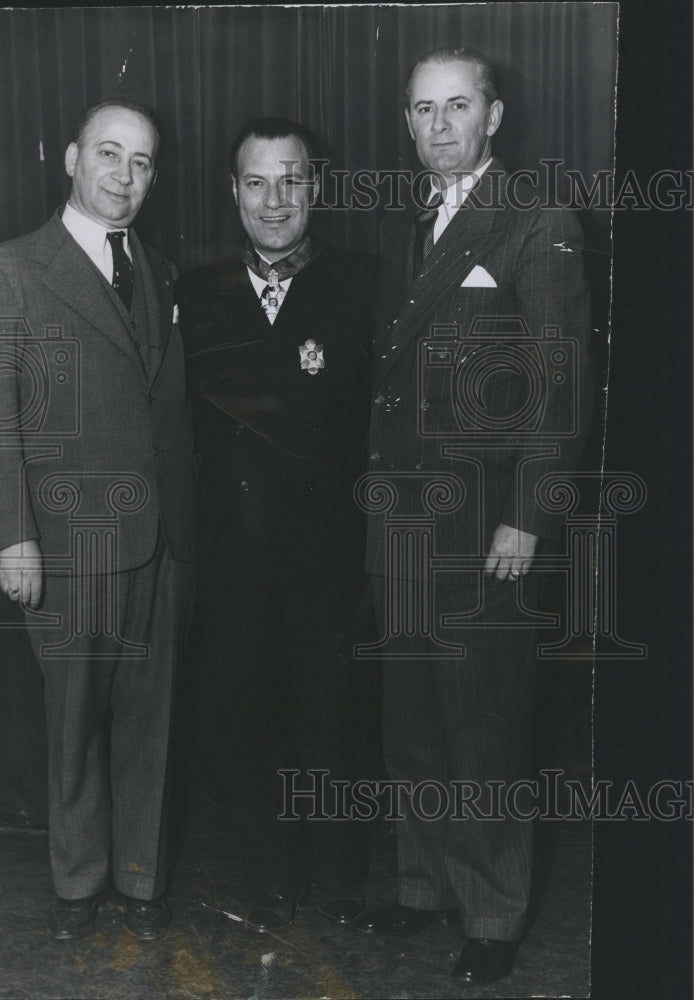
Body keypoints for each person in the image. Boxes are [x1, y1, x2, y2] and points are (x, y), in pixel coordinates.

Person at [354, 47, 593, 984]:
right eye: (423, 110)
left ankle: (493, 915)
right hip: (403, 520)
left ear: (494, 117)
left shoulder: (538, 221)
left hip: (488, 521)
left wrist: (529, 514)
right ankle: (424, 888)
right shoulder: (408, 221)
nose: (439, 125)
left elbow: (561, 384)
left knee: (483, 725)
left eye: (459, 106)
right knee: (410, 716)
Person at [0, 98, 195, 942]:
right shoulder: (15, 268)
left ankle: (140, 879)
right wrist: (13, 535)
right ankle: (78, 887)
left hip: (157, 544)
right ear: (72, 158)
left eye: (142, 161)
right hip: (65, 543)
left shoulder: (156, 268)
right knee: (74, 725)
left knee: (148, 724)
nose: (124, 176)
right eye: (109, 155)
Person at [177, 117, 379, 932]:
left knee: (334, 720)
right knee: (230, 715)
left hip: (331, 555)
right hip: (230, 556)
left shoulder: (365, 282)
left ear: (316, 187)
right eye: (256, 182)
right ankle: (273, 869)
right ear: (233, 192)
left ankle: (339, 879)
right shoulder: (196, 291)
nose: (274, 200)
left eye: (290, 180)